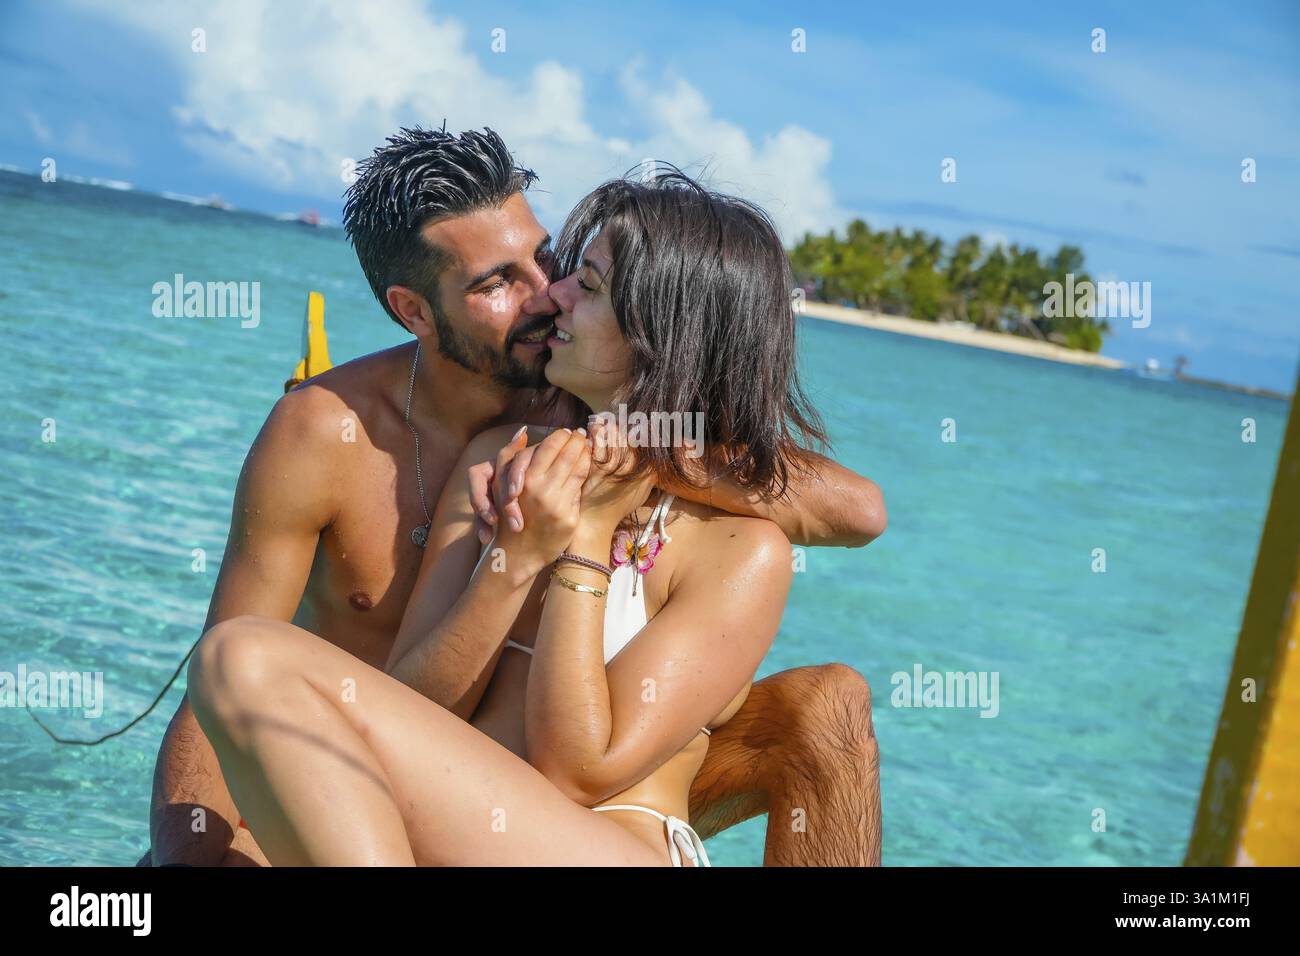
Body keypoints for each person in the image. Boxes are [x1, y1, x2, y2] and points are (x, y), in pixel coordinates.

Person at [144, 128, 885, 867]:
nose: (546, 296)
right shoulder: (432, 448)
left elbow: (859, 511)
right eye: (497, 282)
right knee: (237, 669)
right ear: (416, 311)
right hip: (445, 814)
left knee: (830, 703)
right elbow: (407, 707)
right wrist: (518, 557)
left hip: (598, 833)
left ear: (659, 331)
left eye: (561, 267)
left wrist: (611, 487)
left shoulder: (731, 531)